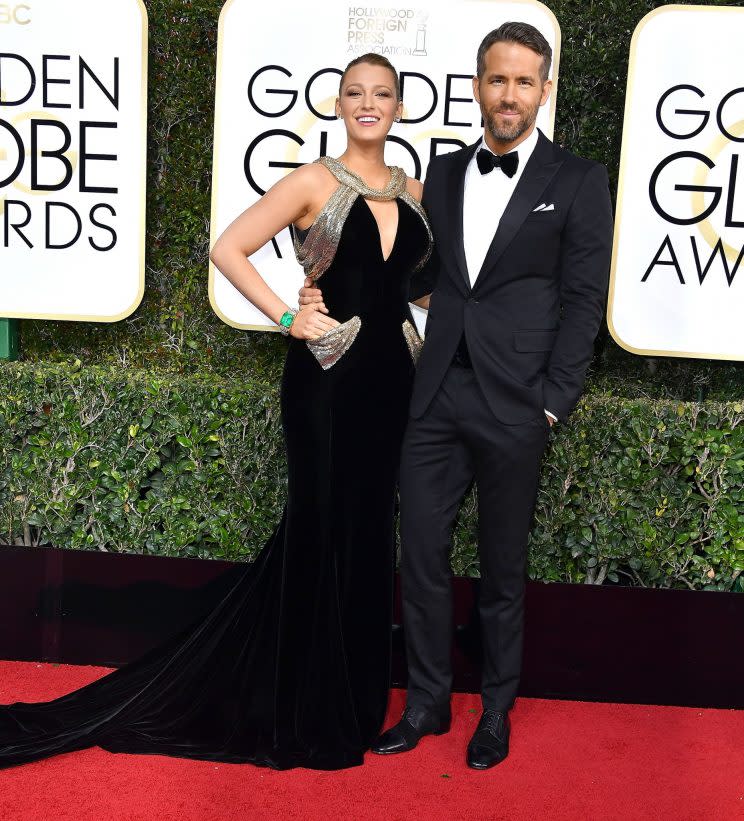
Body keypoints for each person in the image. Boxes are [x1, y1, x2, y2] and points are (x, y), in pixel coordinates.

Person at [0, 54, 432, 771]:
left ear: (400, 107)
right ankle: (306, 700)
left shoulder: (414, 191)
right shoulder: (312, 181)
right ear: (337, 103)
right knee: (320, 526)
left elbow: (415, 287)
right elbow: (227, 247)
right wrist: (288, 314)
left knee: (366, 534)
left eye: (381, 94)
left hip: (391, 385)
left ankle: (355, 698)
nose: (368, 104)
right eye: (355, 93)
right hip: (325, 379)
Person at [301, 23, 614, 770]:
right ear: (476, 86)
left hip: (517, 404)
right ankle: (428, 704)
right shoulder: (438, 175)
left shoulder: (576, 180)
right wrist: (318, 284)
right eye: (496, 80)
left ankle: (496, 712)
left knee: (503, 568)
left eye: (523, 81)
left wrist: (551, 402)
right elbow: (407, 270)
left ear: (543, 89)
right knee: (424, 555)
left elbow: (583, 299)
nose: (508, 95)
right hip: (434, 394)